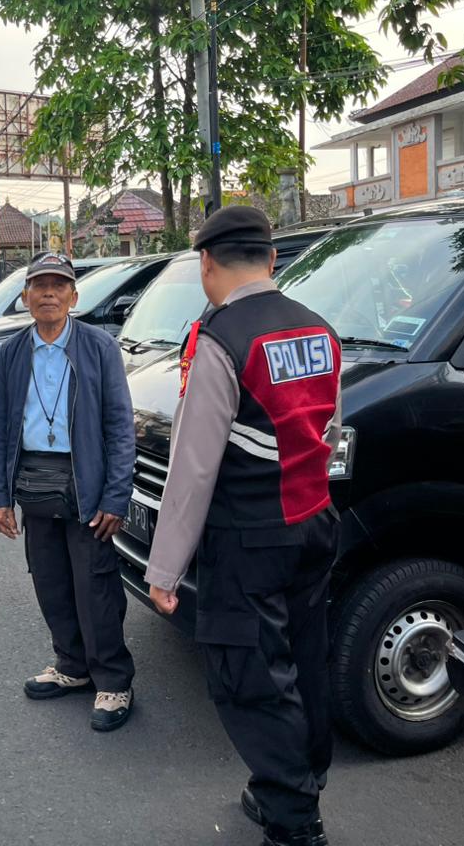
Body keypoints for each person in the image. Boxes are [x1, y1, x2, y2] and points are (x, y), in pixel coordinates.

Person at [144, 207, 342, 846]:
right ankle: (295, 784)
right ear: (272, 259)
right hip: (315, 521)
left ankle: (294, 822)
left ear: (206, 263)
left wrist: (164, 568)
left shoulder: (221, 339)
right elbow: (328, 433)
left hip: (249, 536)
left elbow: (193, 466)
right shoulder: (319, 329)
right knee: (305, 664)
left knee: (251, 678)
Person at [0, 252, 137, 732]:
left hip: (86, 482)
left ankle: (113, 680)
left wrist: (116, 496)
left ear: (74, 297)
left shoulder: (99, 347)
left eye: (58, 286)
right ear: (25, 296)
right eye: (39, 285)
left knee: (95, 586)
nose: (48, 293)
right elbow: (1, 426)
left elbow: (120, 427)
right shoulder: (13, 352)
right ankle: (72, 665)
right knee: (50, 581)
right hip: (35, 481)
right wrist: (0, 496)